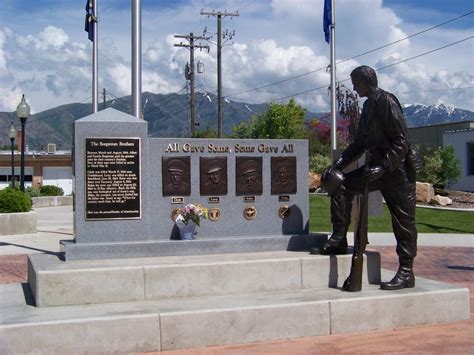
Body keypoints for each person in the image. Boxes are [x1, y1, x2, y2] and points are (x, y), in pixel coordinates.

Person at [316, 65, 418, 291]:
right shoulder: (369, 107)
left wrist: (383, 167)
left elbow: (402, 141)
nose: (353, 87)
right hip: (376, 169)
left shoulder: (386, 102)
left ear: (367, 81)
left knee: (403, 221)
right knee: (341, 186)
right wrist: (338, 165)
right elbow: (360, 143)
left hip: (397, 171)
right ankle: (339, 239)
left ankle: (406, 271)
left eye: (356, 83)